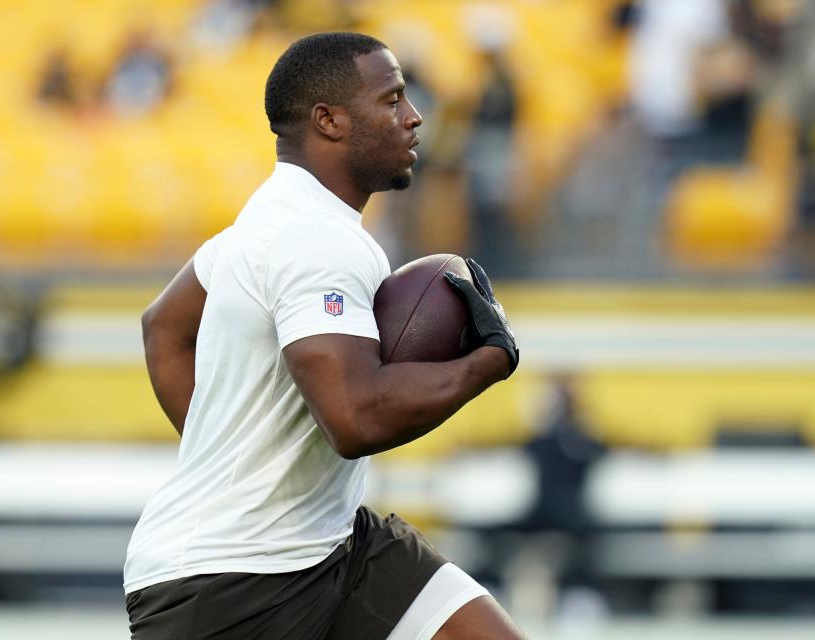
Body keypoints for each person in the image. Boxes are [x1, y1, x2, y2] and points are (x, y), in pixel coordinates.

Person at [124, 32, 524, 639]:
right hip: (229, 586)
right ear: (329, 120)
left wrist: (240, 463)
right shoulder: (318, 240)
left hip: (331, 545)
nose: (414, 117)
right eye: (391, 101)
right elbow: (356, 421)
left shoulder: (269, 217)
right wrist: (487, 363)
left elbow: (164, 328)